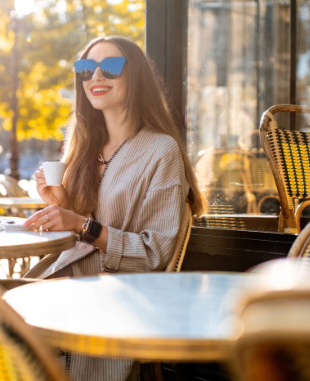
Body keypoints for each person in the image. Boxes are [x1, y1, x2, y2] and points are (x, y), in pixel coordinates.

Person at [21, 36, 205, 381]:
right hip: (65, 280)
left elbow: (156, 253)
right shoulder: (83, 146)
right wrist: (62, 207)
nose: (96, 78)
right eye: (86, 70)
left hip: (116, 292)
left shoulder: (161, 150)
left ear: (135, 76)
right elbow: (76, 229)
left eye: (111, 68)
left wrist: (81, 225)